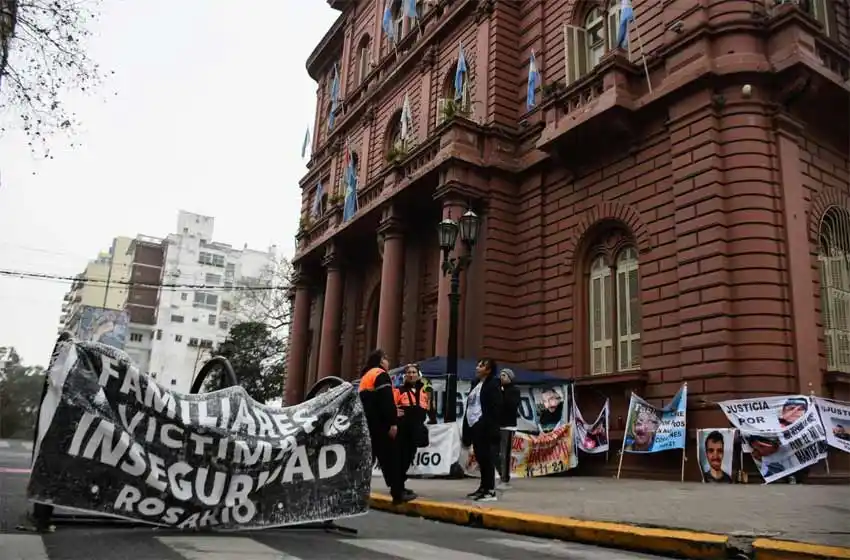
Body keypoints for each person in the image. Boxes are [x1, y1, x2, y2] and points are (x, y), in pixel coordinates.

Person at [358, 349, 413, 504]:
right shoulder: (380, 374)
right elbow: (386, 401)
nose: (388, 363)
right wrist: (393, 422)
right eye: (387, 359)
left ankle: (357, 492)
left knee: (368, 461)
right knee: (392, 459)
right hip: (381, 425)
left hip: (369, 425)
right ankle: (398, 492)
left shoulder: (366, 377)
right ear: (382, 361)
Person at [461, 358, 503, 502]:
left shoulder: (493, 384)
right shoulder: (475, 384)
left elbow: (495, 408)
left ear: (489, 370)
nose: (478, 368)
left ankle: (490, 490)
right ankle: (483, 488)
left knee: (487, 459)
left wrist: (485, 424)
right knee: (480, 458)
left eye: (482, 366)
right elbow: (470, 407)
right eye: (478, 365)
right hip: (474, 426)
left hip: (485, 427)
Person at [395, 364, 430, 491]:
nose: (411, 374)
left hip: (416, 428)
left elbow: (428, 407)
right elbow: (391, 406)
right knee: (401, 457)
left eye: (414, 372)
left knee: (410, 456)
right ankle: (398, 487)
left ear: (418, 375)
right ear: (405, 376)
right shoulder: (399, 390)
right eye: (409, 372)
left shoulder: (424, 391)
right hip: (403, 428)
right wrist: (395, 412)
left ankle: (400, 485)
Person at [497, 368, 520, 489]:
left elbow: (511, 405)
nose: (501, 377)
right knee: (496, 453)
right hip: (498, 425)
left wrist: (502, 393)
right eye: (500, 375)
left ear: (510, 378)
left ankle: (505, 479)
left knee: (505, 453)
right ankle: (501, 474)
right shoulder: (499, 390)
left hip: (508, 426)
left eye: (504, 375)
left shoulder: (514, 391)